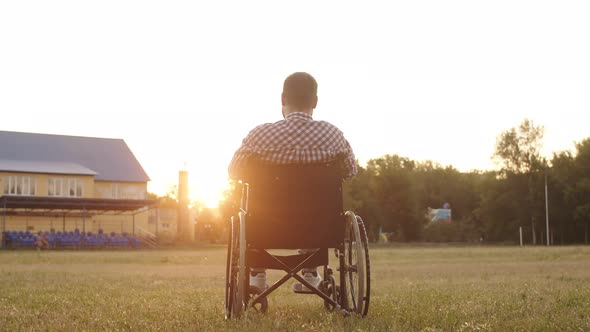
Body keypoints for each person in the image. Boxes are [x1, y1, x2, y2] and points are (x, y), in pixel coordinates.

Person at [228, 72, 357, 292]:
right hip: (320, 228)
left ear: (283, 99)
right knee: (315, 206)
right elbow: (350, 171)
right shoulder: (334, 136)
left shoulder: (259, 136)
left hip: (266, 227)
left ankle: (257, 275)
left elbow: (234, 171)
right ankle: (310, 273)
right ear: (315, 101)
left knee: (253, 199)